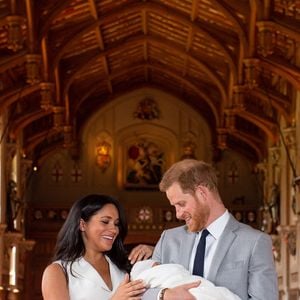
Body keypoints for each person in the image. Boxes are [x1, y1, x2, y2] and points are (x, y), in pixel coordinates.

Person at [129, 159, 278, 300]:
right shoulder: (168, 239)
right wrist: (164, 295)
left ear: (202, 193)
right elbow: (140, 292)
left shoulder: (255, 242)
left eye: (181, 204)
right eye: (174, 207)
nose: (178, 214)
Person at [41, 194, 146, 300]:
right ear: (82, 225)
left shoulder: (124, 266)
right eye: (105, 221)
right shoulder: (57, 271)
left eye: (116, 224)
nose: (114, 230)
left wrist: (154, 251)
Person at [130, 259, 241, 300]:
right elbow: (135, 292)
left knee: (215, 292)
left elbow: (180, 272)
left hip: (195, 283)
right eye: (156, 265)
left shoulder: (254, 240)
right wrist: (163, 295)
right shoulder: (167, 237)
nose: (159, 264)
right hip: (188, 292)